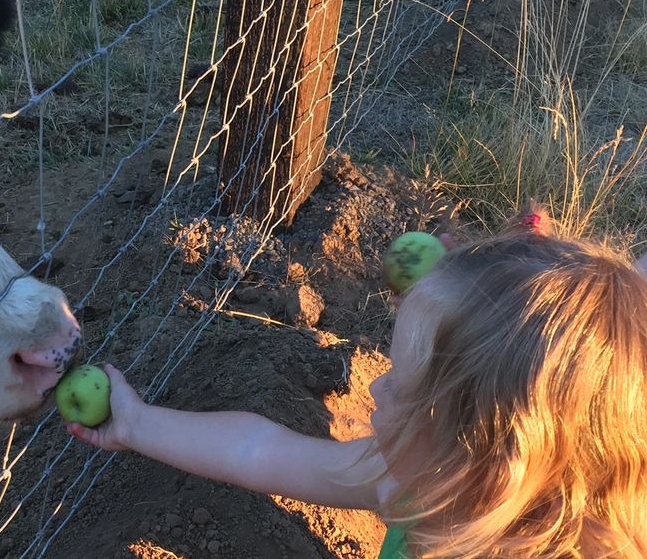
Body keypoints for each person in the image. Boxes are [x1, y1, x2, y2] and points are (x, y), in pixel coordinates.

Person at [67, 206, 647, 557]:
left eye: (400, 383)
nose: (375, 389)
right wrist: (137, 423)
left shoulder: (427, 486)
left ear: (483, 458)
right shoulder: (420, 487)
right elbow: (261, 450)